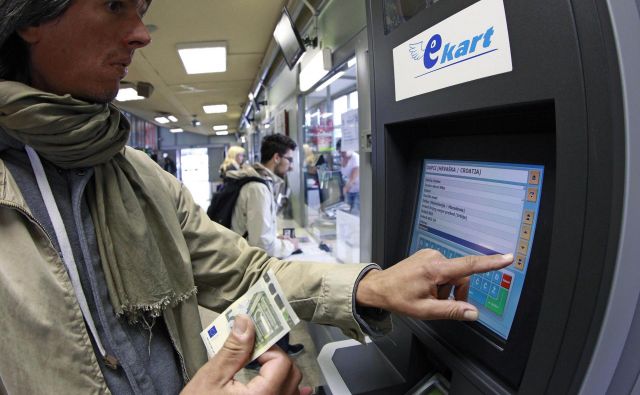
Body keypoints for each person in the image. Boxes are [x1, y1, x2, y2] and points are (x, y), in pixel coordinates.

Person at [0, 1, 513, 394]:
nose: (139, 33)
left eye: (143, 10)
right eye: (115, 4)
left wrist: (373, 286)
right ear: (30, 18)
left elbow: (246, 272)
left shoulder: (143, 179)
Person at [226, 134, 304, 360]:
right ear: (277, 157)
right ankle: (266, 358)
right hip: (251, 259)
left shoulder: (259, 181)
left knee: (265, 307)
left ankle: (277, 350)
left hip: (248, 253)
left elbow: (259, 229)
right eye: (289, 160)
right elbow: (263, 244)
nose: (290, 166)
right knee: (266, 307)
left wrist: (276, 236)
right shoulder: (258, 187)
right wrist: (289, 246)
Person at [336, 139, 360, 214]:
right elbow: (344, 176)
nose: (341, 154)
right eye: (339, 152)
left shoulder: (355, 158)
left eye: (343, 152)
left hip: (358, 191)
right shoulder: (342, 158)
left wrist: (343, 191)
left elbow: (353, 178)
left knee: (355, 213)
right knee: (347, 213)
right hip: (349, 191)